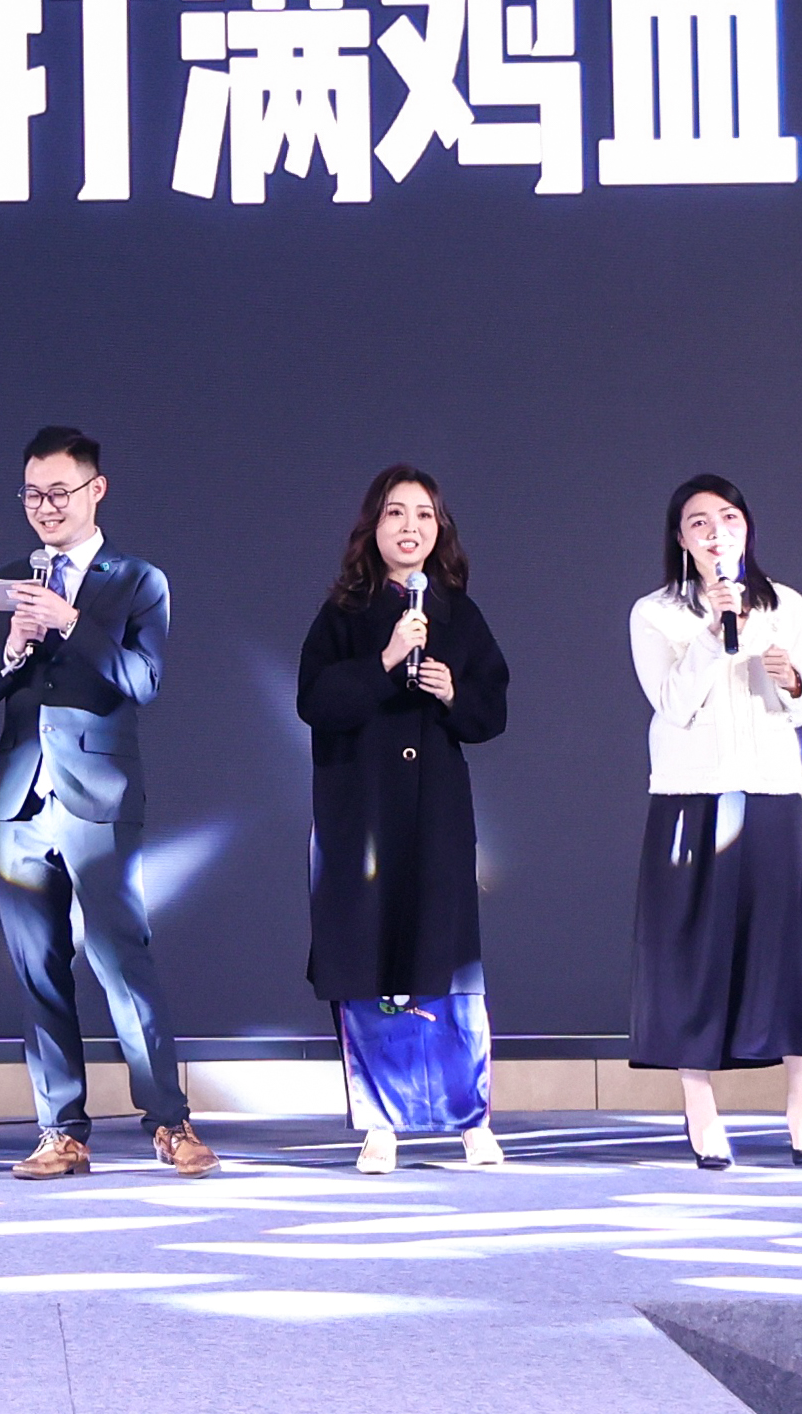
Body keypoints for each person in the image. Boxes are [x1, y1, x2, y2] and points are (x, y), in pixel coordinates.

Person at [0, 425, 217, 1179]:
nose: (45, 507)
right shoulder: (8, 581)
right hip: (19, 801)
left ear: (95, 490)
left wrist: (70, 622)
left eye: (59, 492)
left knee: (120, 959)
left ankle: (168, 1120)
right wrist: (12, 647)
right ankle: (60, 1130)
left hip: (98, 797)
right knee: (37, 969)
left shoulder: (137, 581)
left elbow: (142, 681)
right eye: (32, 494)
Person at [296, 466, 510, 1175]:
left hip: (435, 816)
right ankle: (380, 1122)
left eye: (424, 514)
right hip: (362, 815)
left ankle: (469, 1118)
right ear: (373, 527)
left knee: (445, 960)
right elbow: (315, 701)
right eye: (395, 512)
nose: (410, 526)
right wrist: (386, 659)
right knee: (368, 960)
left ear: (439, 529)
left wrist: (453, 693)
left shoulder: (459, 614)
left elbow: (491, 709)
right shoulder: (343, 614)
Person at [626, 474, 802, 1169]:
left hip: (770, 789)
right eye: (700, 522)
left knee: (782, 945)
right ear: (680, 539)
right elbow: (672, 704)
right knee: (693, 947)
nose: (717, 532)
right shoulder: (654, 613)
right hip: (692, 793)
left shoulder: (785, 604)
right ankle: (700, 1107)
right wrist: (713, 634)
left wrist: (791, 679)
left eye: (729, 518)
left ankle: (801, 1102)